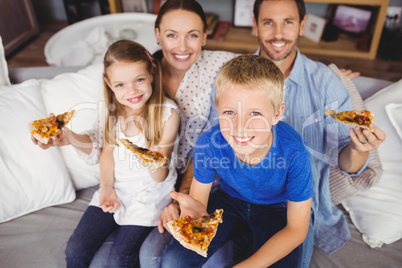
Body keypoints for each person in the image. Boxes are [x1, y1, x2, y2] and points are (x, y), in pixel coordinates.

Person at [248, 0, 385, 260]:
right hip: (239, 196)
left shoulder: (326, 82)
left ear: (302, 25)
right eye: (268, 22)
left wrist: (358, 148)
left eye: (287, 22)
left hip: (297, 207)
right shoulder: (234, 76)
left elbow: (347, 164)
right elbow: (212, 141)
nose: (278, 33)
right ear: (255, 26)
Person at [160, 54, 313, 267]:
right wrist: (196, 217)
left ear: (277, 114)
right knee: (172, 261)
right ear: (217, 107)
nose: (240, 127)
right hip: (229, 201)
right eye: (230, 112)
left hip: (278, 209)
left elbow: (296, 230)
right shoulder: (208, 144)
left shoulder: (295, 153)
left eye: (255, 114)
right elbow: (199, 203)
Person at [63, 40, 180, 267]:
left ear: (152, 74)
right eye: (120, 85)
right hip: (116, 190)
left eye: (139, 80)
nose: (132, 91)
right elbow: (107, 153)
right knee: (75, 250)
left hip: (149, 196)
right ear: (109, 84)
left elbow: (160, 176)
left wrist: (152, 160)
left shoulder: (168, 114)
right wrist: (107, 188)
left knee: (120, 259)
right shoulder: (113, 112)